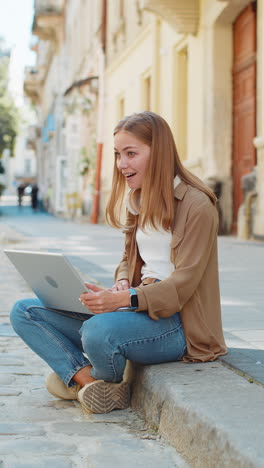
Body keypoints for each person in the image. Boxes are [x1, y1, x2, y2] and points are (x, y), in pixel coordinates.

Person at [10, 111, 227, 414]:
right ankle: (89, 381)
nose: (121, 164)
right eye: (117, 154)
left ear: (159, 152)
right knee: (24, 312)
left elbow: (184, 284)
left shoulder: (197, 204)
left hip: (178, 325)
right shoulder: (138, 198)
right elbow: (129, 256)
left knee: (98, 331)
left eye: (130, 154)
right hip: (135, 306)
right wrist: (123, 282)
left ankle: (83, 377)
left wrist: (123, 299)